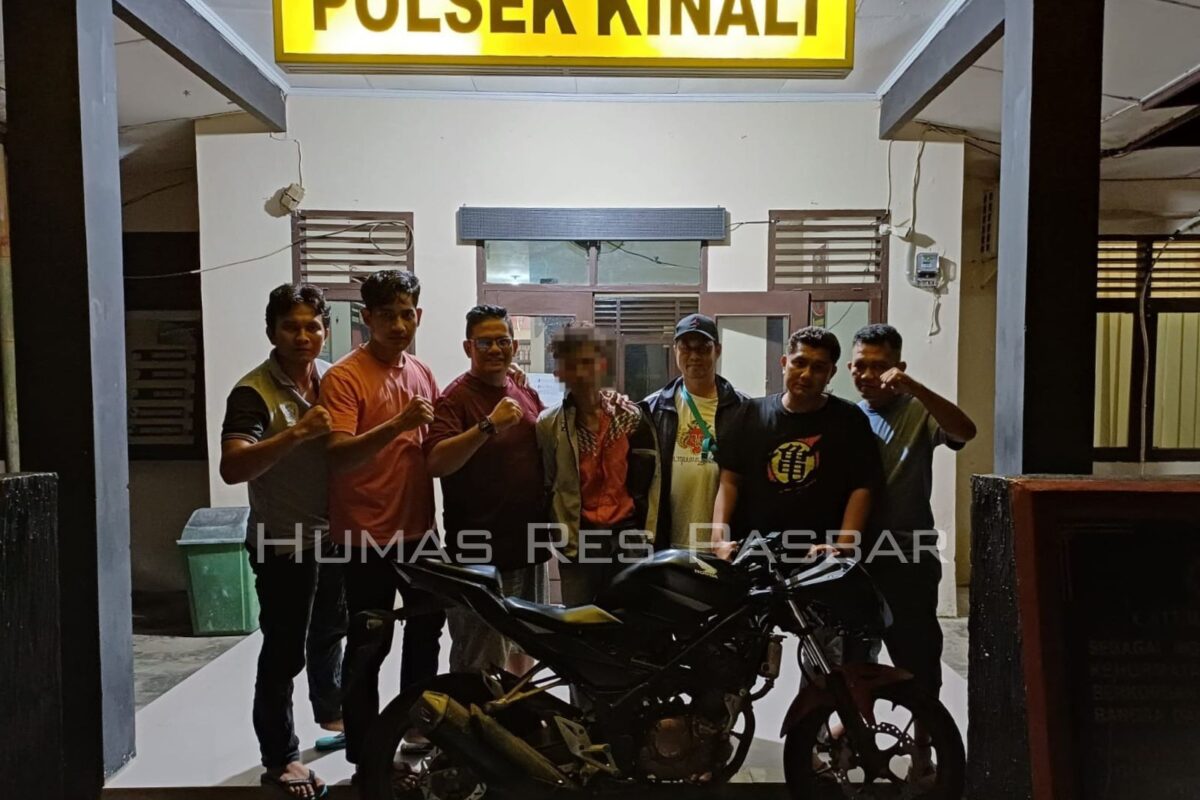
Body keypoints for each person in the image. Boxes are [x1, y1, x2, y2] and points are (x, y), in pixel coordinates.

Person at [220, 283, 346, 799]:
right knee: (283, 651)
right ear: (271, 331)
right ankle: (280, 757)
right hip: (282, 542)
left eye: (312, 326)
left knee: (330, 632)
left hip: (331, 535)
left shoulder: (332, 380)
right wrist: (296, 433)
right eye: (291, 326)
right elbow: (232, 467)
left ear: (325, 330)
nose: (302, 336)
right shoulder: (253, 392)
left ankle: (333, 717)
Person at [318, 270, 444, 770]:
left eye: (406, 313)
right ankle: (365, 752)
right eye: (387, 315)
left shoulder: (421, 372)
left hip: (419, 531)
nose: (398, 324)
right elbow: (338, 454)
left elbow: (438, 438)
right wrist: (399, 424)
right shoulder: (344, 376)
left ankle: (416, 727)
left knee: (427, 628)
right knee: (370, 643)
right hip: (364, 536)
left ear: (419, 315)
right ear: (366, 317)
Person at [848, 323, 976, 707]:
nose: (867, 375)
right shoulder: (847, 417)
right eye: (859, 365)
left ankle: (925, 739)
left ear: (898, 368)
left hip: (908, 557)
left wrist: (916, 388)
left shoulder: (919, 412)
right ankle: (856, 732)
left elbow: (965, 431)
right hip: (856, 562)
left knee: (918, 662)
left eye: (878, 366)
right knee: (855, 662)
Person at [425, 305, 548, 675]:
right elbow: (436, 462)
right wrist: (487, 427)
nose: (495, 349)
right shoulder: (455, 398)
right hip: (480, 552)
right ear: (468, 347)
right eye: (484, 342)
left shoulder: (523, 391)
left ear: (514, 346)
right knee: (479, 660)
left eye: (503, 341)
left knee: (525, 643)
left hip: (529, 545)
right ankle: (472, 715)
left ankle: (520, 709)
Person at [712, 326, 883, 560]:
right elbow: (729, 481)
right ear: (784, 363)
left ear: (831, 373)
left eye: (818, 367)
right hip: (752, 554)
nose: (806, 375)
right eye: (799, 363)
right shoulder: (749, 414)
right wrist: (718, 541)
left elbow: (862, 487)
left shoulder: (850, 420)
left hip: (821, 558)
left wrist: (843, 547)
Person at [536, 324, 660, 606]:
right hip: (579, 542)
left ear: (601, 364)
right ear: (559, 372)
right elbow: (547, 484)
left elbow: (652, 479)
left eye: (587, 361)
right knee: (579, 623)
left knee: (627, 620)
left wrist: (647, 534)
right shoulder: (549, 425)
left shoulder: (629, 417)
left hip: (627, 538)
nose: (581, 372)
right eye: (571, 364)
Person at [641, 313, 747, 551]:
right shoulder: (653, 408)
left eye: (703, 348)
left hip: (725, 547)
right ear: (675, 351)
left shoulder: (742, 408)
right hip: (668, 544)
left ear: (717, 350)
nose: (694, 356)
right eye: (685, 348)